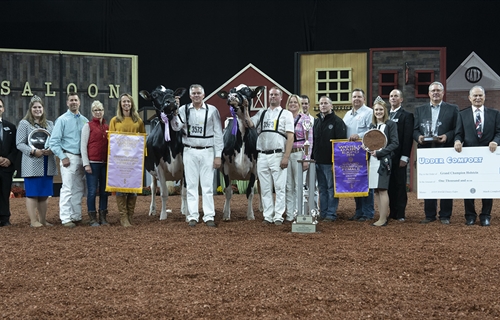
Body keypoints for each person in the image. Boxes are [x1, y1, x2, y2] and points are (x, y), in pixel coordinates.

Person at [171, 84, 223, 228]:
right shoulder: (183, 109)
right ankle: (192, 215)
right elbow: (176, 127)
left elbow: (218, 134)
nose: (196, 95)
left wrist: (218, 155)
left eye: (198, 93)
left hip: (207, 150)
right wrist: (175, 112)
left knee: (207, 185)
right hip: (190, 150)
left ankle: (209, 216)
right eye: (193, 93)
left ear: (204, 95)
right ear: (190, 95)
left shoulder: (212, 111)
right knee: (191, 185)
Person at [245, 86, 294, 225]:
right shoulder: (262, 113)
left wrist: (286, 156)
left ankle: (278, 215)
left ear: (281, 97)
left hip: (277, 154)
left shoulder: (286, 114)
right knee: (265, 187)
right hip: (262, 155)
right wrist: (246, 109)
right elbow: (250, 123)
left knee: (279, 187)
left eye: (275, 95)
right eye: (271, 95)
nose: (273, 97)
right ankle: (268, 215)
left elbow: (290, 136)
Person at [454, 86, 500, 226]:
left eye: (480, 95)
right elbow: (458, 133)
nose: (478, 98)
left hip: (488, 156)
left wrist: (495, 141)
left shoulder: (495, 114)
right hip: (470, 157)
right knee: (469, 186)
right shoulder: (462, 114)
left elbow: (499, 132)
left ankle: (486, 215)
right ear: (470, 98)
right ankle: (470, 215)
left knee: (487, 186)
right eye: (475, 96)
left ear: (484, 97)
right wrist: (457, 141)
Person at [413, 82, 458, 224]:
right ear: (429, 93)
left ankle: (445, 215)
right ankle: (429, 215)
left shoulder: (452, 109)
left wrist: (447, 137)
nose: (436, 93)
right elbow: (414, 130)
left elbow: (457, 129)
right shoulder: (420, 110)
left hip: (445, 151)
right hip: (427, 152)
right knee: (429, 182)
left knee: (446, 183)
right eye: (433, 91)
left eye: (438, 90)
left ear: (443, 93)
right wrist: (419, 137)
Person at [16, 96, 57, 227]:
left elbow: (55, 141)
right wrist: (33, 151)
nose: (37, 109)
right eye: (35, 107)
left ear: (43, 109)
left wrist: (52, 150)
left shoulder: (50, 124)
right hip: (32, 162)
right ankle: (33, 221)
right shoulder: (24, 124)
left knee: (44, 194)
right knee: (33, 193)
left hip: (47, 162)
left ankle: (43, 220)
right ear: (30, 109)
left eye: (39, 107)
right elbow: (19, 144)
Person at [49, 92, 88, 228]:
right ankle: (65, 218)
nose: (73, 102)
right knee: (67, 188)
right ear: (67, 103)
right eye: (71, 100)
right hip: (68, 157)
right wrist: (62, 156)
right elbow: (53, 142)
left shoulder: (85, 120)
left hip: (81, 158)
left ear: (79, 102)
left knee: (79, 189)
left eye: (76, 100)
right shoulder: (62, 120)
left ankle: (76, 216)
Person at [109, 93, 146, 227]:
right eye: (124, 102)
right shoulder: (115, 120)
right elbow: (111, 139)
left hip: (134, 160)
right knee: (121, 187)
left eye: (128, 102)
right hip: (120, 160)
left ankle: (130, 215)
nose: (126, 104)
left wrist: (143, 156)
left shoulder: (138, 121)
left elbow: (143, 138)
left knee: (133, 187)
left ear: (132, 104)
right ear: (120, 104)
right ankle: (123, 217)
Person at [311, 96, 347, 221]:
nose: (323, 105)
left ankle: (331, 213)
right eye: (321, 103)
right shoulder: (316, 122)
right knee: (322, 188)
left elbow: (341, 144)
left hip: (331, 162)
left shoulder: (338, 122)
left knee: (332, 189)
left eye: (326, 103)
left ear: (331, 106)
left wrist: (336, 162)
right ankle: (323, 212)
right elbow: (313, 141)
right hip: (318, 161)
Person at [366, 97, 399, 226]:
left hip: (384, 161)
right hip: (373, 161)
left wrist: (380, 153)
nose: (378, 112)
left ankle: (383, 218)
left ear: (385, 110)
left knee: (383, 189)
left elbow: (395, 143)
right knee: (377, 190)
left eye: (380, 109)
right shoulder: (372, 125)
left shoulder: (391, 124)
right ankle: (381, 216)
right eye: (376, 110)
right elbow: (370, 142)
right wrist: (367, 147)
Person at [343, 89, 374, 222]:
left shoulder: (369, 112)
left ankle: (368, 213)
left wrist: (359, 136)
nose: (356, 99)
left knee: (366, 182)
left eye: (359, 97)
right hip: (351, 153)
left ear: (364, 99)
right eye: (354, 97)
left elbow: (372, 130)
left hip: (364, 151)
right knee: (355, 182)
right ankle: (359, 211)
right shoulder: (347, 114)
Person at [387, 89, 414, 222]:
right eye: (391, 96)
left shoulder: (406, 116)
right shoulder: (385, 115)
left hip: (399, 157)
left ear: (401, 99)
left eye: (396, 96)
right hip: (386, 157)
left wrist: (405, 156)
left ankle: (401, 213)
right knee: (389, 185)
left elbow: (407, 137)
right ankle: (392, 212)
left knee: (399, 184)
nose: (393, 98)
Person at [81, 100, 109, 227]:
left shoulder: (108, 127)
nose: (98, 112)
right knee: (92, 191)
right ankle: (92, 217)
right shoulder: (88, 126)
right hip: (92, 163)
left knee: (104, 191)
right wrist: (86, 163)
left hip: (105, 164)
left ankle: (103, 216)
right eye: (95, 110)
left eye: (100, 110)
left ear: (103, 111)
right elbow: (83, 146)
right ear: (92, 112)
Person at [285, 94, 312, 221]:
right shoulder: (284, 117)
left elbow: (309, 140)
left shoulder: (305, 119)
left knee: (299, 185)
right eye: (291, 102)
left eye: (295, 102)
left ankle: (299, 212)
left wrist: (306, 158)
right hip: (286, 153)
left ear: (299, 104)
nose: (293, 104)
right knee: (288, 185)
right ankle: (290, 214)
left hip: (299, 152)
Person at [0, 98, 18, 227]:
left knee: (5, 192)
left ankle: (5, 218)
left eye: (0, 106)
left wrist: (9, 159)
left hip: (6, 167)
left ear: (3, 109)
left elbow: (15, 147)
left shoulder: (10, 127)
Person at [300, 94, 318, 210]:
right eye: (302, 103)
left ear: (309, 105)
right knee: (300, 185)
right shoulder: (293, 119)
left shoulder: (314, 121)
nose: (304, 105)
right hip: (299, 158)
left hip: (312, 157)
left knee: (313, 185)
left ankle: (314, 209)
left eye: (306, 103)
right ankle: (301, 209)